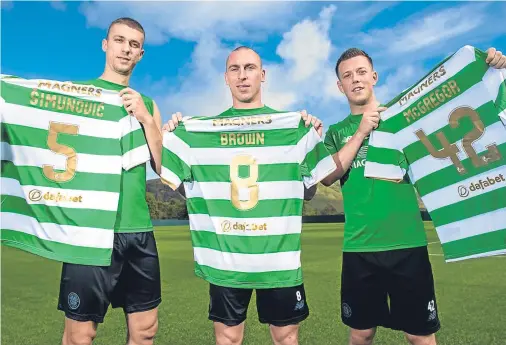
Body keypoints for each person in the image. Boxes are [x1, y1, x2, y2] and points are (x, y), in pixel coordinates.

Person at [321, 47, 505, 345]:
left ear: (374, 76)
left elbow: (453, 106)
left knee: (419, 335)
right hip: (359, 247)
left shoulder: (402, 118)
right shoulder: (336, 132)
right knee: (361, 333)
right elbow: (328, 175)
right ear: (339, 86)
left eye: (361, 72)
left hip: (408, 244)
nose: (355, 79)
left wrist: (491, 69)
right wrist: (360, 133)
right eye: (347, 76)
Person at [162, 46, 330, 345]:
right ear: (226, 78)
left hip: (278, 260)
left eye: (250, 68)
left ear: (262, 75)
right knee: (227, 339)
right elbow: (175, 182)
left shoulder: (294, 128)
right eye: (235, 69)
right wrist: (165, 133)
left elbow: (309, 190)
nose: (243, 76)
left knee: (287, 339)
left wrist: (311, 136)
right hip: (227, 260)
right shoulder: (197, 133)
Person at [57, 17, 163, 345]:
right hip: (91, 231)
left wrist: (145, 119)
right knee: (80, 334)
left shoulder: (148, 105)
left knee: (145, 332)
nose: (125, 49)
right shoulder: (79, 97)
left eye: (133, 45)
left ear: (140, 54)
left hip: (138, 231)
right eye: (119, 40)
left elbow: (162, 167)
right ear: (106, 45)